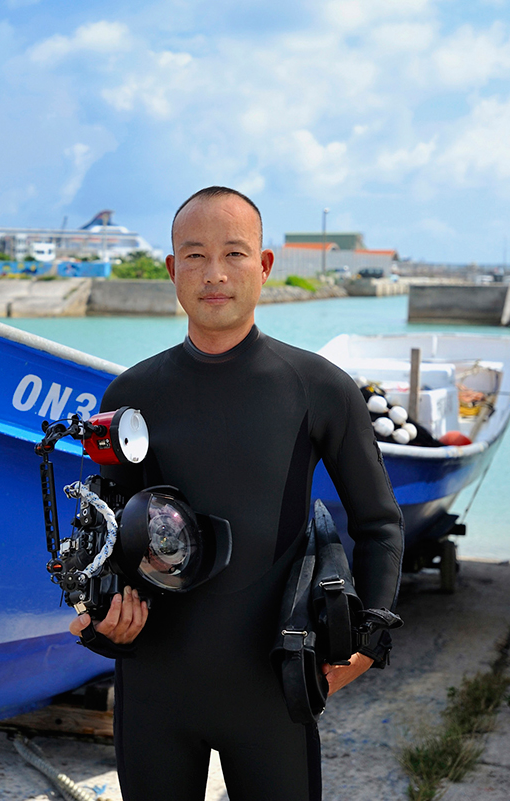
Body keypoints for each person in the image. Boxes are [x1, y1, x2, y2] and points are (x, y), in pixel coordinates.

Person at [69, 186, 404, 801]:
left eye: (235, 253)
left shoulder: (319, 387)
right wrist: (101, 624)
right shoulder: (129, 395)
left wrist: (365, 645)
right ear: (172, 270)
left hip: (273, 689)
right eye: (194, 256)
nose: (215, 273)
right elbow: (108, 539)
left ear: (265, 266)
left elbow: (379, 523)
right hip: (154, 690)